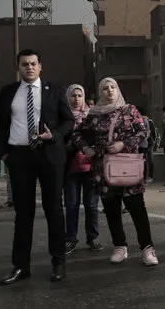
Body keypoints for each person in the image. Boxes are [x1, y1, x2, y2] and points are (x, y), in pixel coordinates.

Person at [0, 49, 74, 285]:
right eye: (25, 64)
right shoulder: (8, 92)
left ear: (40, 66)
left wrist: (53, 134)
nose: (29, 67)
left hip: (49, 156)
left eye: (33, 63)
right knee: (23, 214)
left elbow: (69, 121)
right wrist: (3, 153)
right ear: (19, 67)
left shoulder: (54, 90)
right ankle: (20, 266)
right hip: (19, 157)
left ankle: (58, 262)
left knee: (53, 210)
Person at [72, 77, 158, 267]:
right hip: (103, 169)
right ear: (100, 92)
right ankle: (120, 246)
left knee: (137, 210)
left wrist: (123, 144)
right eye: (104, 88)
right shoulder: (93, 115)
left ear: (118, 90)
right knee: (112, 210)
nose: (109, 91)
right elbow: (77, 133)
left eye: (112, 87)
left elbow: (143, 132)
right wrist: (87, 149)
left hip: (127, 166)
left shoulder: (129, 110)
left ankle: (147, 248)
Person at [63, 84, 102, 254]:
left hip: (90, 166)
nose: (76, 98)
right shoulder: (62, 116)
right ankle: (70, 239)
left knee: (91, 205)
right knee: (71, 205)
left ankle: (92, 238)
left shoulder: (92, 115)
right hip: (69, 167)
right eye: (73, 95)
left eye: (79, 95)